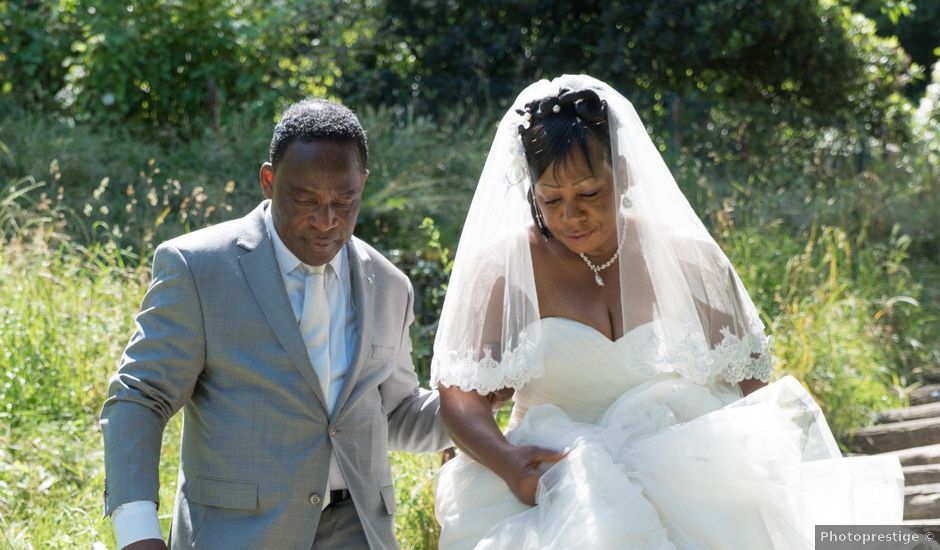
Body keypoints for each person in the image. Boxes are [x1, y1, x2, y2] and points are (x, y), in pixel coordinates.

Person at [431, 75, 904, 549]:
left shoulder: (691, 260)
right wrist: (508, 463)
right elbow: (458, 393)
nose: (571, 216)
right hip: (561, 483)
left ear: (624, 172)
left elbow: (753, 390)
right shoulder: (506, 268)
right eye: (551, 200)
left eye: (590, 193)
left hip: (691, 478)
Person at [101, 98, 451, 550]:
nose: (327, 222)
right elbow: (140, 398)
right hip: (238, 536)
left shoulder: (389, 284)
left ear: (363, 183)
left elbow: (398, 414)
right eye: (305, 201)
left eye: (345, 202)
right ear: (269, 181)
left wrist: (483, 397)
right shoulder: (197, 268)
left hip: (360, 533)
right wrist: (137, 534)